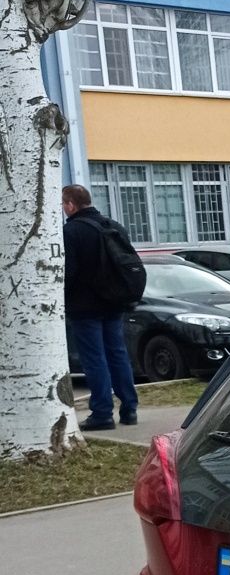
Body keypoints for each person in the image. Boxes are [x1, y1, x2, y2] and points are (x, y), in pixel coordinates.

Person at [62, 184, 141, 432]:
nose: (64, 208)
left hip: (85, 307)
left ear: (71, 205)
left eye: (64, 203)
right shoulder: (113, 226)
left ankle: (102, 413)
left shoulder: (72, 231)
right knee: (117, 354)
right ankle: (129, 409)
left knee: (94, 359)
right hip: (114, 302)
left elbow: (69, 272)